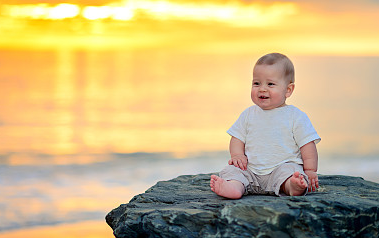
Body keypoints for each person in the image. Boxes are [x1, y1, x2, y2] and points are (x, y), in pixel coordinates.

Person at [210, 53, 321, 199]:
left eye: (270, 84)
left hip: (280, 170)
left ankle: (292, 186)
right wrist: (237, 155)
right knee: (234, 171)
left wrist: (310, 170)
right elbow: (237, 138)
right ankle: (233, 188)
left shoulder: (295, 116)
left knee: (291, 171)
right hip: (250, 170)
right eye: (256, 83)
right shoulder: (248, 114)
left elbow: (307, 144)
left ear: (288, 90)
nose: (262, 89)